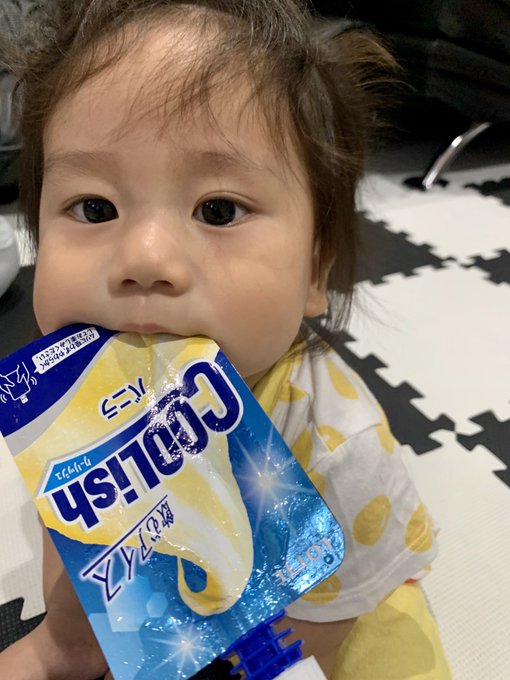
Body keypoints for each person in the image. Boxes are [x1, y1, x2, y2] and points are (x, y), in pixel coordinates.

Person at [0, 1, 451, 678]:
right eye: (94, 208)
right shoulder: (74, 406)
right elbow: (76, 547)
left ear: (314, 271)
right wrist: (71, 638)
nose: (145, 257)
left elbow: (321, 632)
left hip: (325, 625)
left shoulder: (337, 446)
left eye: (218, 210)